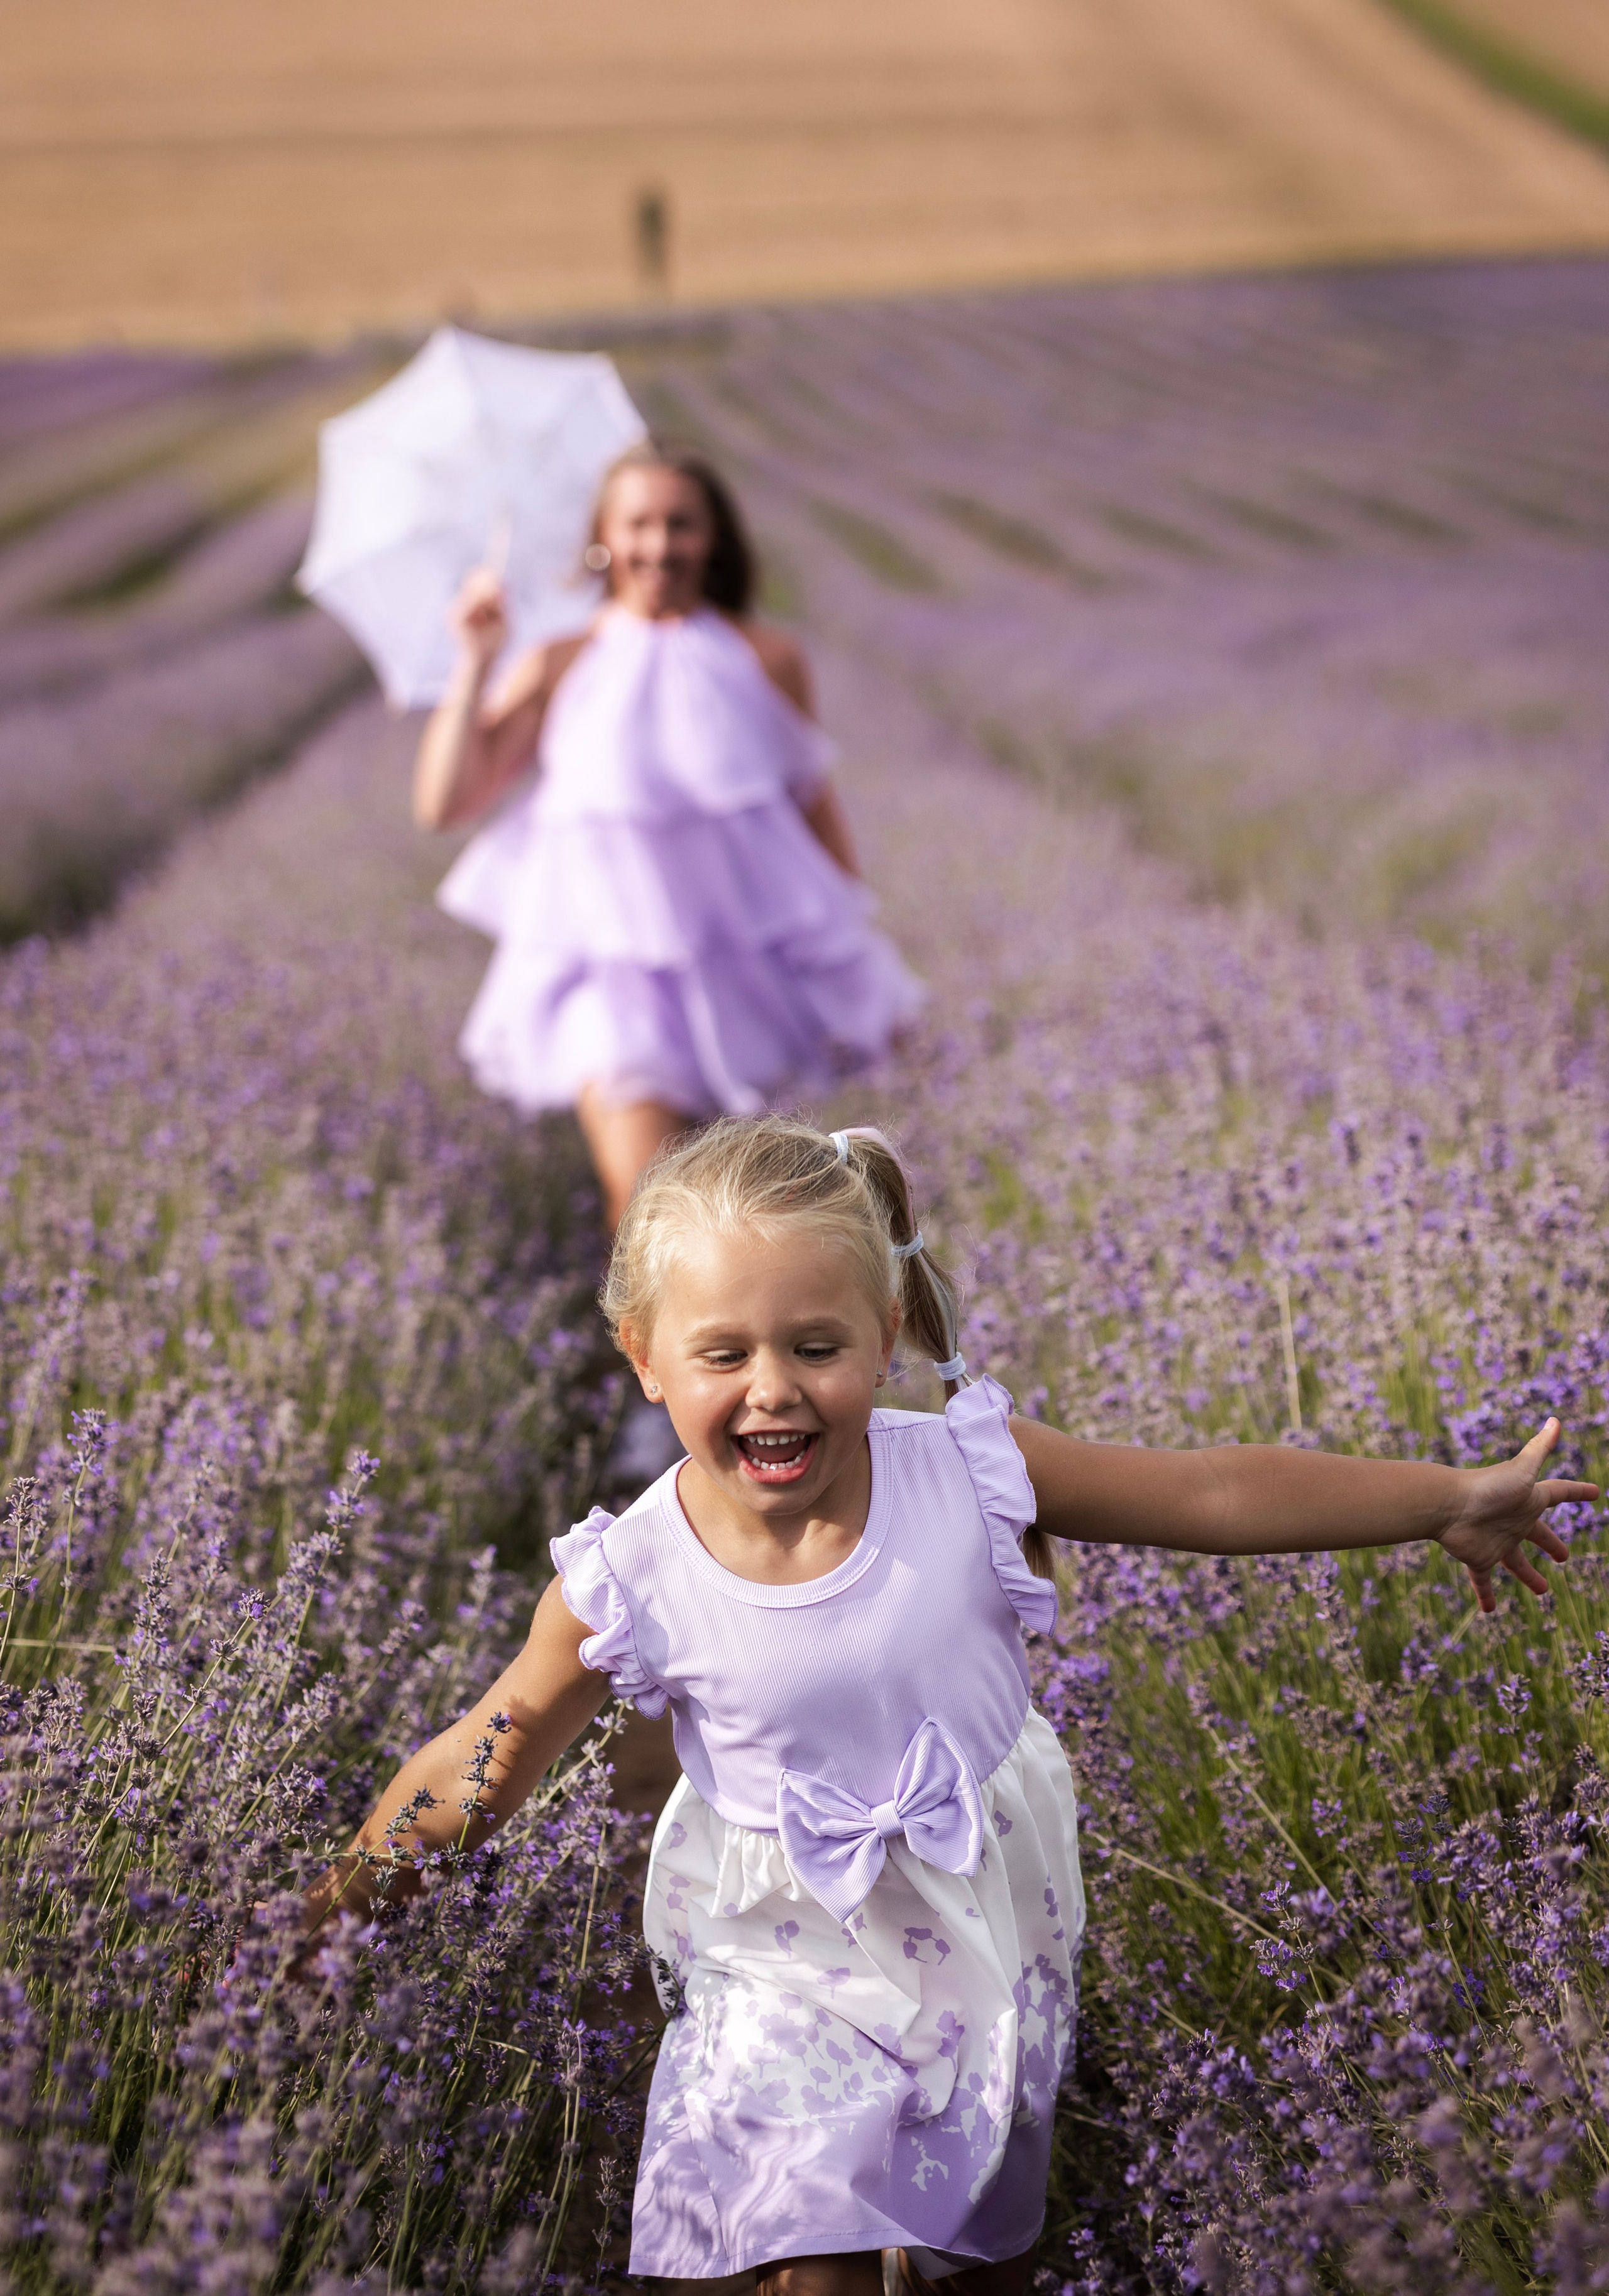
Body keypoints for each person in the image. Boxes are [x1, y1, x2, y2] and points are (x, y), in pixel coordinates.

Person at [300, 1117, 1593, 2296]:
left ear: (884, 1336)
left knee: (980, 2245)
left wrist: (1445, 1499)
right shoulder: (629, 1574)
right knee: (802, 2250)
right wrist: (326, 1912)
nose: (772, 1386)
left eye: (816, 1348)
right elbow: (490, 1749)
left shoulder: (968, 1472)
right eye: (723, 1353)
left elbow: (1204, 1491)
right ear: (644, 1357)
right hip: (777, 1942)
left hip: (982, 1906)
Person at [413, 441, 923, 1232]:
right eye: (638, 523)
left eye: (680, 523)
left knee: (749, 1223)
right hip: (610, 980)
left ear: (713, 536)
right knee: (645, 1204)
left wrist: (854, 959)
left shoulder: (767, 660)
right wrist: (475, 661)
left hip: (743, 968)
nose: (658, 545)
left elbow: (809, 806)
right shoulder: (561, 661)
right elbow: (447, 802)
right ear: (603, 537)